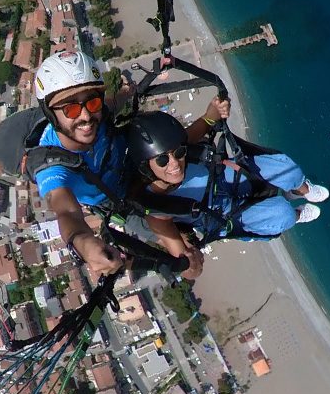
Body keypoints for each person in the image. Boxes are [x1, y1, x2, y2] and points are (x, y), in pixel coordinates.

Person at [32, 51, 229, 275]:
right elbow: (66, 211)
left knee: (163, 143)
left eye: (92, 102)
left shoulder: (98, 113)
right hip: (121, 203)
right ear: (51, 113)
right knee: (190, 268)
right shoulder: (53, 166)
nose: (86, 116)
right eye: (71, 109)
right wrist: (83, 244)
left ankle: (208, 121)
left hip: (132, 165)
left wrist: (128, 91)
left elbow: (113, 102)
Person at [126, 111, 329, 278]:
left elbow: (207, 119)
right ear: (147, 166)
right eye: (162, 161)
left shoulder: (181, 147)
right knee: (284, 215)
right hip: (221, 215)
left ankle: (301, 190)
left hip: (226, 178)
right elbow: (188, 268)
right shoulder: (157, 209)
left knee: (290, 172)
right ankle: (298, 214)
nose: (174, 164)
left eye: (178, 153)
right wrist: (189, 262)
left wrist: (217, 107)